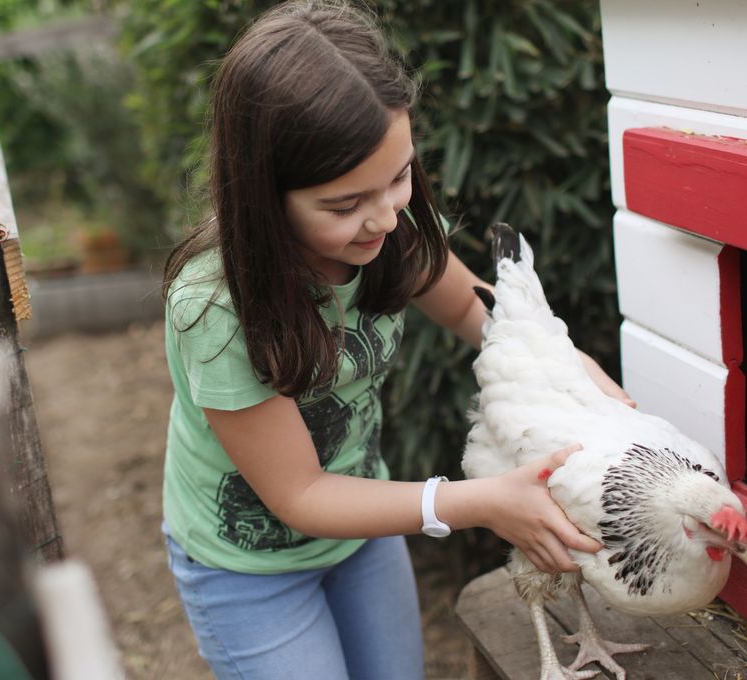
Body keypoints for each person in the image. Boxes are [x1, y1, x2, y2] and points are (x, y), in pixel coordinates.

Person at [160, 2, 634, 678]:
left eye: (400, 176)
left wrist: (581, 378)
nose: (385, 216)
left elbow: (488, 320)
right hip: (247, 565)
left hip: (361, 526)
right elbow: (297, 495)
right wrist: (478, 503)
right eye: (344, 204)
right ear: (263, 195)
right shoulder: (215, 309)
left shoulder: (393, 231)